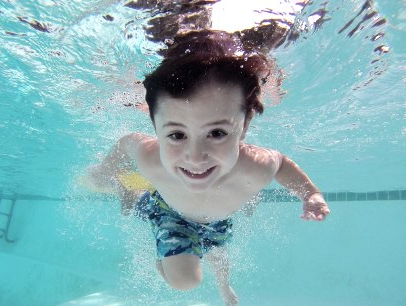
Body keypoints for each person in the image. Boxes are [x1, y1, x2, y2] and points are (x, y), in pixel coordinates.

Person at [84, 30, 330, 306]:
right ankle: (131, 194)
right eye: (177, 135)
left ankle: (224, 288)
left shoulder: (255, 166)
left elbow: (282, 165)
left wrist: (310, 194)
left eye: (216, 133)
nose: (196, 157)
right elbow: (127, 143)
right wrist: (106, 170)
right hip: (169, 213)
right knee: (185, 280)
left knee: (217, 251)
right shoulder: (151, 158)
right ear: (156, 128)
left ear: (245, 125)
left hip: (217, 219)